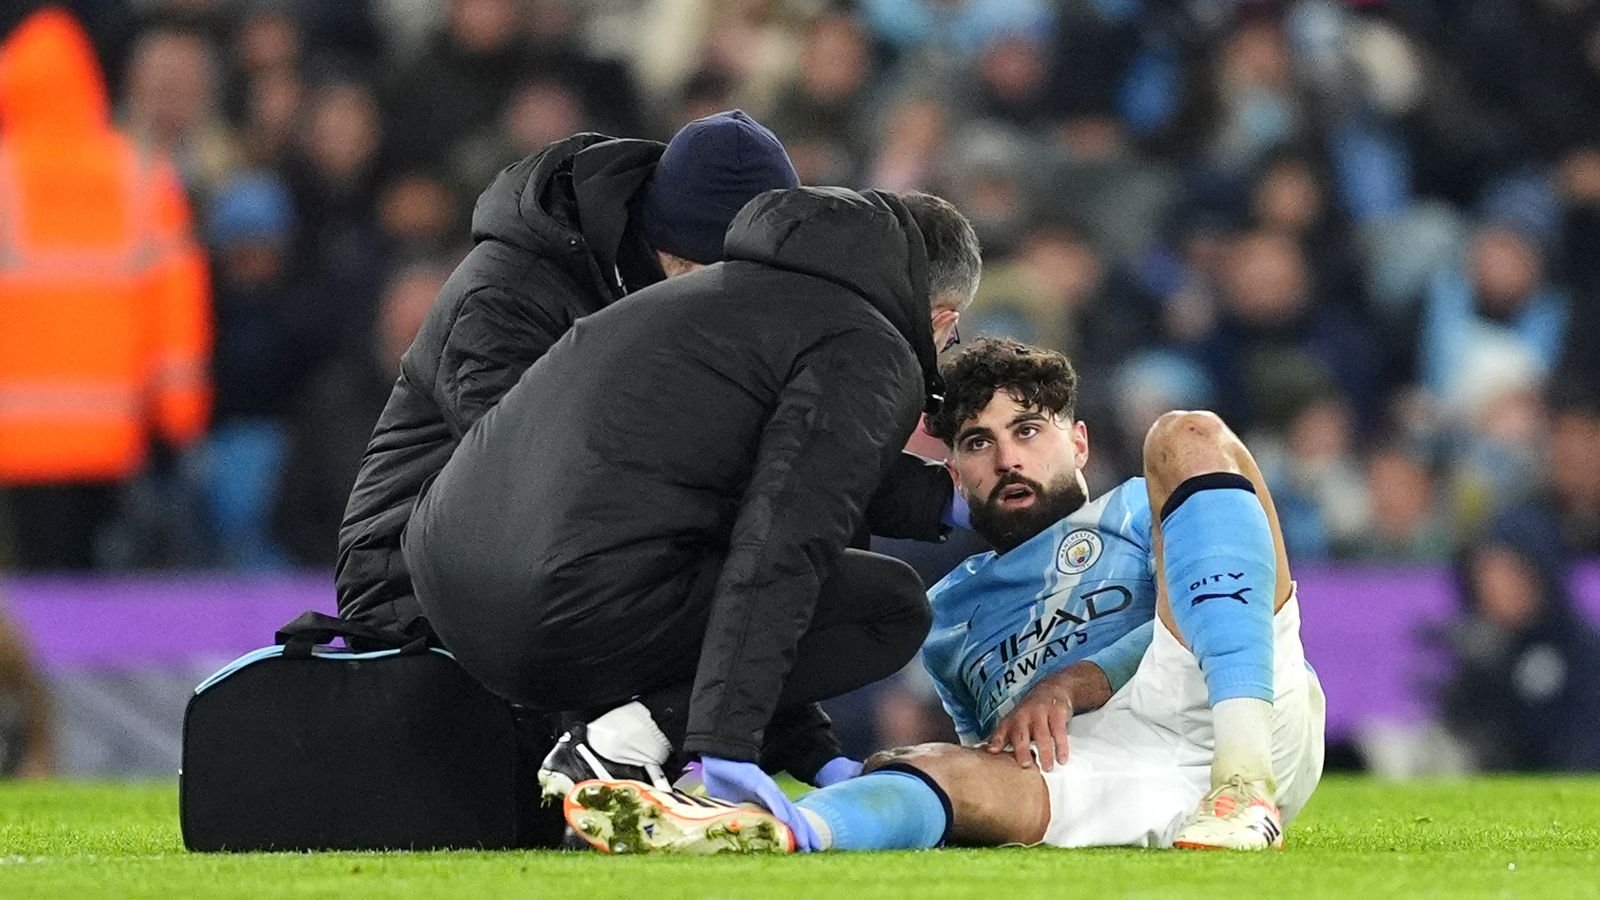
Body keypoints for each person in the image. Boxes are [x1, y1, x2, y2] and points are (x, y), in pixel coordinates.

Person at [564, 339, 1325, 853]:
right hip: (1107, 771)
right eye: (978, 443)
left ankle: (1244, 785)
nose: (1007, 458)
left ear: (1079, 443)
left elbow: (1213, 595)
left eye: (1029, 430)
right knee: (934, 766)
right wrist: (907, 773)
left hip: (1227, 698)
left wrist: (1070, 681)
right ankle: (763, 831)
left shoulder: (1140, 506)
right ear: (955, 472)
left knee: (1188, 435)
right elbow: (990, 763)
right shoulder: (946, 616)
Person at [402, 189, 980, 807]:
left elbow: (781, 480)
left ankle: (634, 739)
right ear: (942, 320)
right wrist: (726, 743)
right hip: (558, 605)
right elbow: (784, 548)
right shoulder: (868, 346)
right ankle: (623, 743)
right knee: (890, 605)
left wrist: (809, 751)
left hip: (449, 585)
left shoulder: (726, 296)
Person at [337, 109, 800, 636]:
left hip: (578, 571)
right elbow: (530, 480)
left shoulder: (715, 312)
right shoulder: (508, 294)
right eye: (717, 278)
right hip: (415, 584)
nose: (731, 305)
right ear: (667, 247)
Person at [0, 5, 212, 571]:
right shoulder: (139, 174)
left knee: (39, 590)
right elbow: (177, 307)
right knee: (106, 593)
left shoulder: (5, 177)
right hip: (118, 434)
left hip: (18, 442)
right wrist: (180, 419)